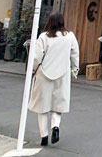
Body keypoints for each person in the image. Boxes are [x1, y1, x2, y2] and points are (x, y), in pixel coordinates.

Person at [28, 13, 79, 146]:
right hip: (62, 74)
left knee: (42, 107)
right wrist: (75, 69)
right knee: (57, 105)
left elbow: (36, 57)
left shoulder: (44, 37)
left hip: (43, 74)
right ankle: (55, 127)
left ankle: (44, 136)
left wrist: (32, 70)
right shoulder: (69, 36)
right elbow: (75, 54)